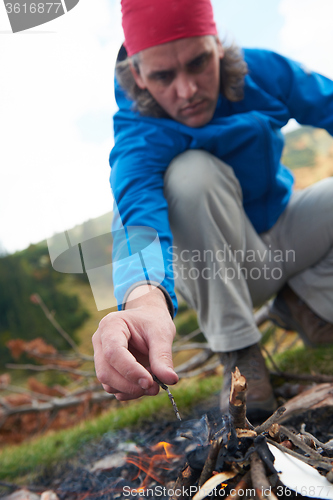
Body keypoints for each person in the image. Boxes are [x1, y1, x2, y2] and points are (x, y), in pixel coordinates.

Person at [92, 0, 333, 419]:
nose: (187, 91)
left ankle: (306, 304)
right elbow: (136, 215)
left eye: (199, 62)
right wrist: (144, 301)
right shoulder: (139, 133)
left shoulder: (263, 72)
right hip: (222, 270)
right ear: (139, 75)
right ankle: (238, 351)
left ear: (217, 47)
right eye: (164, 76)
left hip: (285, 231)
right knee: (189, 174)